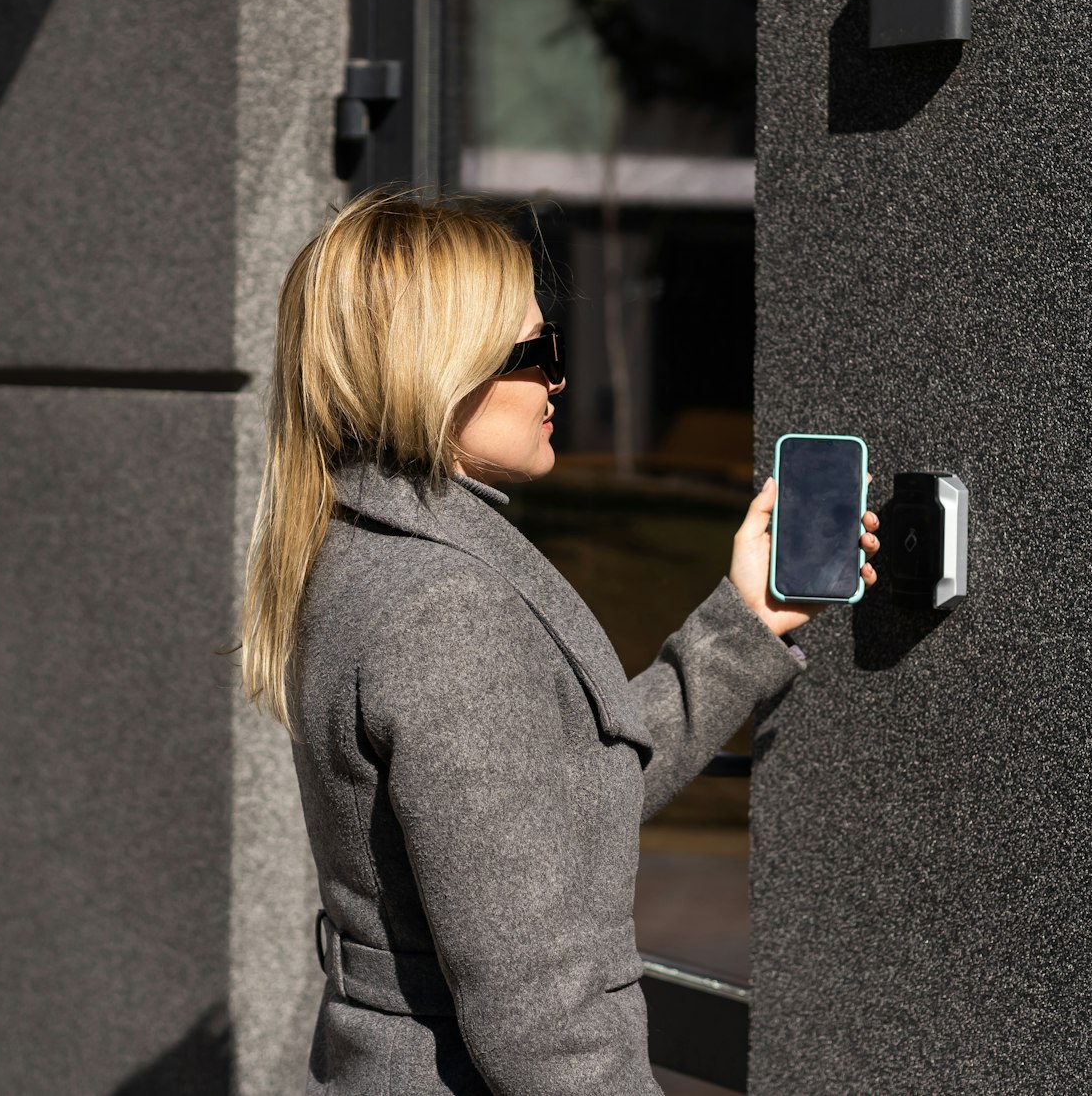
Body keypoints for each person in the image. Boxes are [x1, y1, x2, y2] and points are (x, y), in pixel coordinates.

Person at [240, 187, 879, 1094]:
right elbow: (545, 1017)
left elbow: (562, 799)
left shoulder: (355, 547)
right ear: (440, 365)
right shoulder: (446, 608)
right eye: (533, 352)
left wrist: (741, 625)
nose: (559, 380)